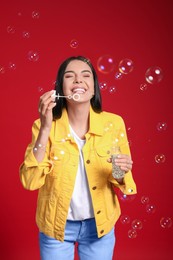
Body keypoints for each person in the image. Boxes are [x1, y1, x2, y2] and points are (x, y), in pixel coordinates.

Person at [19, 55, 137, 260]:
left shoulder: (114, 123)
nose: (78, 80)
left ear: (93, 87)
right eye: (70, 76)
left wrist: (122, 171)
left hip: (99, 227)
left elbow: (118, 178)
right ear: (61, 88)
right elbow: (30, 181)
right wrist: (46, 126)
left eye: (85, 75)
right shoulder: (43, 126)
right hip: (56, 227)